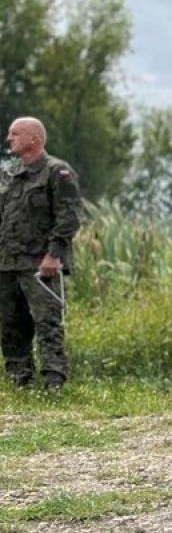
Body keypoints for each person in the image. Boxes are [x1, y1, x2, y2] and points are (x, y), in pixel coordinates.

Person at [0, 117, 81, 391]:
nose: (9, 138)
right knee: (11, 324)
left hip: (40, 263)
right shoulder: (9, 173)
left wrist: (54, 255)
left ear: (34, 139)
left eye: (15, 134)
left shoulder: (56, 172)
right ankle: (19, 380)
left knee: (47, 322)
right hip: (8, 262)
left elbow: (68, 217)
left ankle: (53, 381)